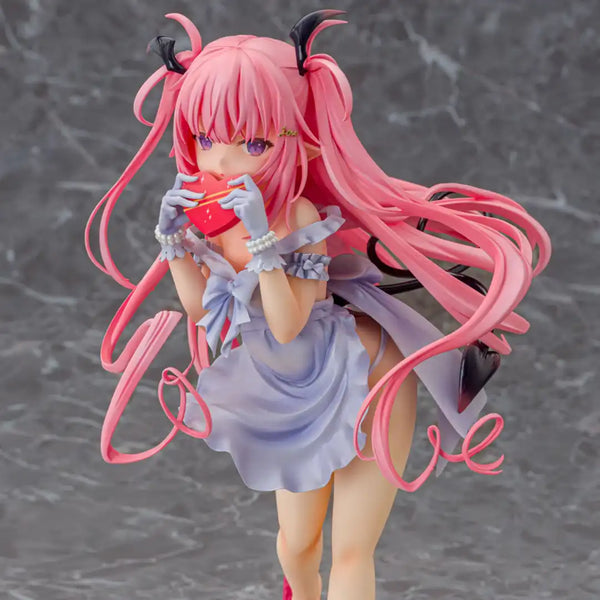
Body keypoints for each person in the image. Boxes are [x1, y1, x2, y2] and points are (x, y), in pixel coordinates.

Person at [85, 10, 552, 600]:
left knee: (351, 552)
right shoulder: (211, 220)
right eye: (206, 139)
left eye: (253, 143)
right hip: (284, 393)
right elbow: (203, 312)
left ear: (294, 139)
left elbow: (288, 322)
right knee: (296, 546)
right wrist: (174, 240)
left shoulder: (295, 216)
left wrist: (261, 237)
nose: (223, 161)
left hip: (362, 374)